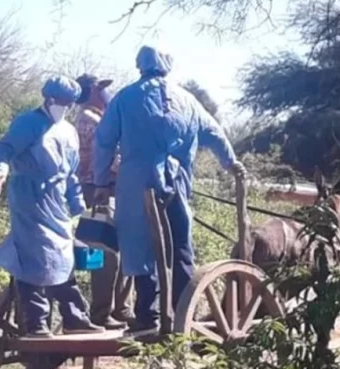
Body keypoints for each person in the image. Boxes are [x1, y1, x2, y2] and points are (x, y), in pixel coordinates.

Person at [93, 46, 247, 333]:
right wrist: (231, 162)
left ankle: (146, 315)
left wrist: (100, 181)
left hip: (138, 182)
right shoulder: (188, 100)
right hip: (178, 182)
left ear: (140, 66)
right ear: (168, 66)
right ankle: (182, 311)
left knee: (139, 244)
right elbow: (213, 132)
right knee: (179, 244)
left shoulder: (125, 98)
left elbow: (103, 141)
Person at [0, 75, 104, 338]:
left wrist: (77, 205)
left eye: (68, 102)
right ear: (48, 98)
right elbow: (4, 149)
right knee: (35, 258)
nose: (62, 106)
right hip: (30, 199)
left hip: (57, 203)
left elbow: (71, 173)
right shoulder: (28, 124)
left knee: (64, 257)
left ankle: (74, 316)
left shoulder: (68, 131)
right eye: (58, 101)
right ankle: (36, 323)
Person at [74, 73, 134, 330]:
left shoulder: (97, 118)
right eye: (101, 89)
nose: (106, 94)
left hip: (108, 190)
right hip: (99, 191)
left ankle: (120, 307)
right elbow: (107, 155)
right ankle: (102, 311)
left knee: (122, 249)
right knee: (105, 253)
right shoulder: (91, 120)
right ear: (93, 91)